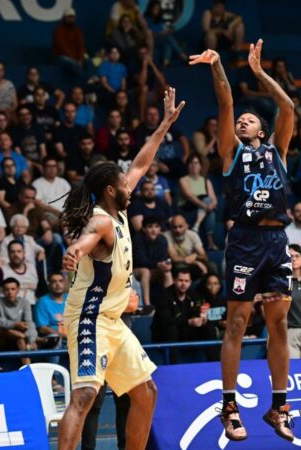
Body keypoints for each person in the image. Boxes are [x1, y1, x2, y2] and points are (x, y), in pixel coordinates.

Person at [55, 86, 183, 450]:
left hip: (113, 321)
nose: (132, 183)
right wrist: (75, 251)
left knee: (146, 393)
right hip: (89, 319)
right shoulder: (102, 221)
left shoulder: (120, 209)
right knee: (83, 397)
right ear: (112, 190)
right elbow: (88, 237)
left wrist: (164, 125)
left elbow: (142, 160)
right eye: (124, 183)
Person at [190, 41, 296, 441]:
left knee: (280, 323)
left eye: (250, 120)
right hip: (246, 242)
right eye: (241, 120)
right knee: (237, 322)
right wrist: (217, 66)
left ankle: (279, 407)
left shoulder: (278, 151)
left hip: (277, 242)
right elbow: (225, 102)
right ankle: (229, 407)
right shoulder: (231, 152)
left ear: (263, 130)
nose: (242, 122)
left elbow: (288, 107)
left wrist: (259, 72)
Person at [0, 277, 36, 364]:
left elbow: (29, 322)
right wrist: (14, 324)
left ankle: (28, 369)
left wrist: (31, 340)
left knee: (21, 338)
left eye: (13, 289)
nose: (10, 292)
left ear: (18, 290)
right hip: (2, 334)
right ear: (3, 291)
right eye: (7, 289)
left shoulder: (25, 302)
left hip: (19, 333)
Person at [178, 154, 217, 247]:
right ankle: (210, 242)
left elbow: (214, 199)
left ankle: (197, 226)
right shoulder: (183, 180)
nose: (194, 165)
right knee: (207, 202)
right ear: (188, 166)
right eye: (191, 163)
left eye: (196, 163)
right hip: (188, 208)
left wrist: (212, 206)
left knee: (211, 211)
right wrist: (205, 206)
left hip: (203, 209)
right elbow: (190, 197)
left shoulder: (206, 181)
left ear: (200, 165)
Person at [53, 9, 90, 80]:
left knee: (89, 62)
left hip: (75, 58)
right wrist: (75, 60)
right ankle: (87, 79)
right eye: (69, 17)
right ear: (64, 18)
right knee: (72, 63)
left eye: (72, 17)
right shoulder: (58, 30)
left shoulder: (77, 31)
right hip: (61, 57)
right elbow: (62, 47)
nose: (71, 19)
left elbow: (80, 46)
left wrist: (80, 59)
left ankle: (92, 77)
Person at [35, 272, 68, 341]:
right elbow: (42, 329)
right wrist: (64, 336)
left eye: (61, 281)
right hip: (56, 341)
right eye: (54, 282)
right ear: (49, 285)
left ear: (65, 283)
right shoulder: (42, 302)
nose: (58, 284)